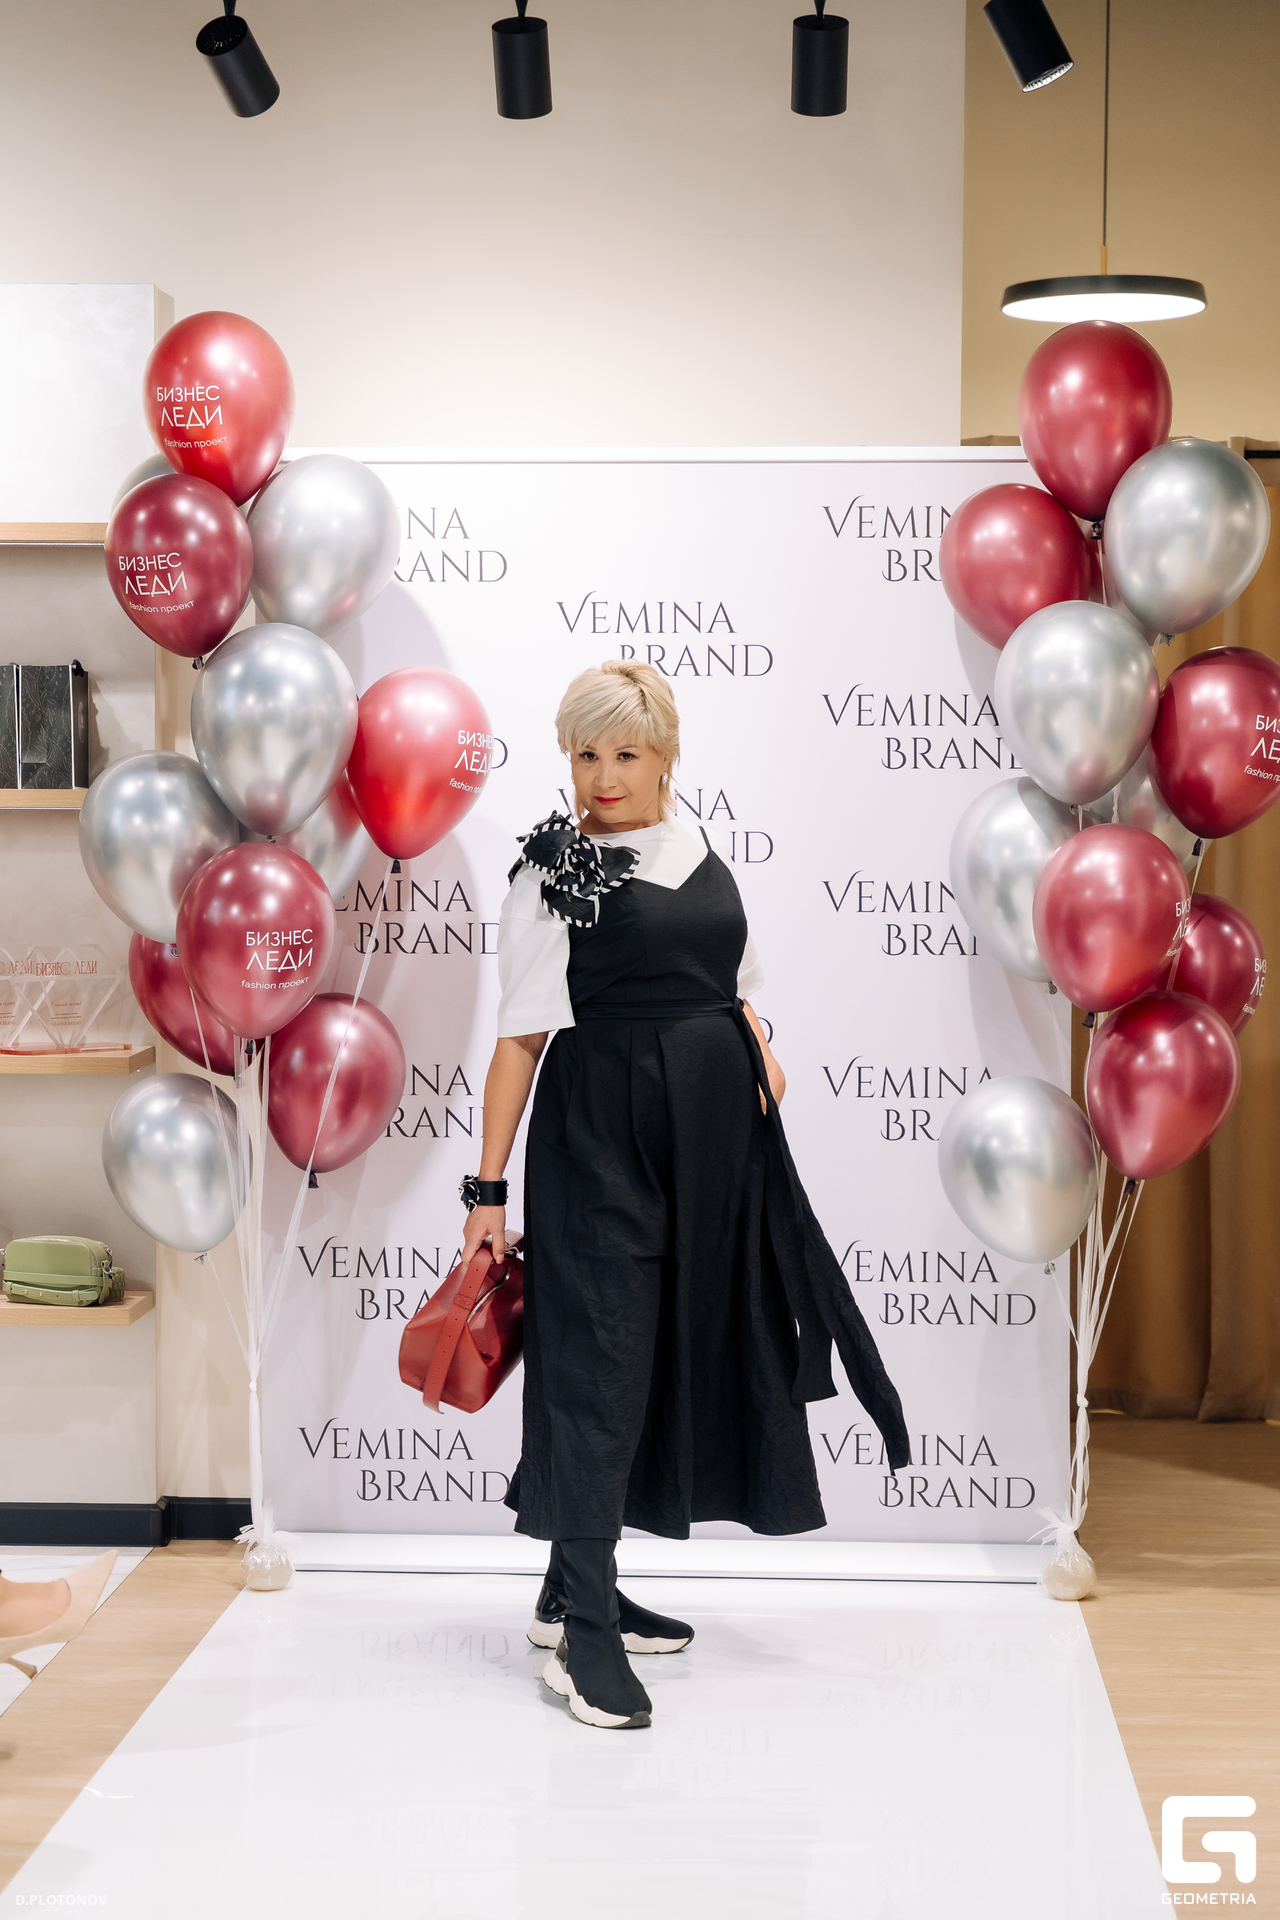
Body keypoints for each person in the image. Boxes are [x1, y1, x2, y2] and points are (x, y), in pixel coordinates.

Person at [460, 660, 908, 1730]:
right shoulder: (552, 872)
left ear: (665, 756)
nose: (602, 776)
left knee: (659, 1356)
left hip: (713, 1151)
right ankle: (586, 1637)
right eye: (584, 754)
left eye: (624, 753)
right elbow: (521, 1040)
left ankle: (571, 1589)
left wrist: (758, 1055)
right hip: (599, 1141)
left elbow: (734, 988)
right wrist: (486, 1191)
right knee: (599, 1364)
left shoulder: (698, 847)